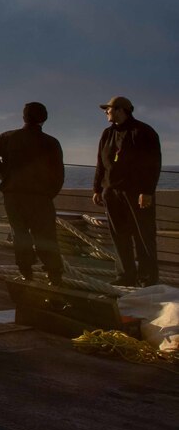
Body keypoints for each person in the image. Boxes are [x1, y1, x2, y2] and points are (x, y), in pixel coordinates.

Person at [0, 102, 65, 285]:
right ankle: (54, 276)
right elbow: (58, 176)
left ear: (24, 117)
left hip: (14, 195)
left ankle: (26, 274)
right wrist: (48, 194)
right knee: (46, 236)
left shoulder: (8, 137)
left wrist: (4, 170)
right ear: (44, 119)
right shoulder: (51, 142)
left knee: (20, 235)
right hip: (41, 197)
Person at [92, 95, 163, 287]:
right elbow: (101, 163)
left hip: (136, 193)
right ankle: (125, 276)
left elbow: (153, 164)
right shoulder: (107, 134)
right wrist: (97, 188)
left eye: (109, 109)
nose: (106, 112)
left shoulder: (143, 132)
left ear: (121, 110)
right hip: (111, 192)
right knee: (119, 236)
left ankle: (147, 278)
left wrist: (147, 191)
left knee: (143, 236)